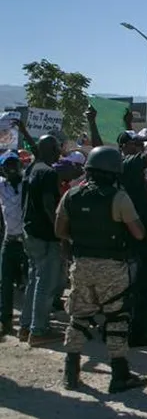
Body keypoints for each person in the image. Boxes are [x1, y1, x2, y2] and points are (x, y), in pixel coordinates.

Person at [87, 102, 147, 347]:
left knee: (128, 287)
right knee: (140, 289)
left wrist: (96, 123)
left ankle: (121, 329)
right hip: (136, 238)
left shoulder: (114, 166)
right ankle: (136, 333)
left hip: (124, 236)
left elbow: (100, 150)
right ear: (124, 148)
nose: (141, 148)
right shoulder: (129, 165)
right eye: (136, 144)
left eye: (141, 144)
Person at [55, 146, 147, 393]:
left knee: (79, 317)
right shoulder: (119, 198)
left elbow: (59, 230)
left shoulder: (72, 195)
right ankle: (119, 375)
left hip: (82, 264)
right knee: (116, 319)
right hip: (112, 267)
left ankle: (71, 372)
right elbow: (139, 233)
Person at [19, 134, 64, 345]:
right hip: (45, 235)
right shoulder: (48, 172)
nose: (58, 153)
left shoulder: (31, 169)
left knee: (34, 280)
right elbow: (48, 205)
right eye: (56, 149)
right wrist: (60, 231)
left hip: (29, 232)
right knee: (46, 282)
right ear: (47, 150)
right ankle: (39, 330)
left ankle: (26, 326)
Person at [0, 152, 25, 337]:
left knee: (29, 283)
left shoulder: (28, 185)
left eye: (14, 165)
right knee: (5, 283)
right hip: (9, 241)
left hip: (26, 242)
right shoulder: (1, 186)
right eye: (7, 166)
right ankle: (5, 322)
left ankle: (30, 323)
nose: (11, 169)